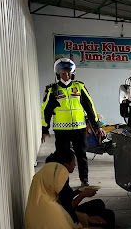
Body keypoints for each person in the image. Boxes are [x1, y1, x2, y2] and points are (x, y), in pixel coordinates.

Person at [25, 162, 124, 229]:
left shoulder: (39, 198)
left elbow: (64, 216)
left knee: (104, 226)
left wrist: (86, 218)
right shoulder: (50, 208)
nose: (64, 187)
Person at [42, 58, 100, 187]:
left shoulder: (79, 87)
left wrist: (96, 125)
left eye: (68, 72)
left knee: (81, 154)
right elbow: (45, 111)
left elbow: (89, 106)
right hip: (61, 131)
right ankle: (63, 182)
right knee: (62, 156)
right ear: (58, 73)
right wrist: (44, 129)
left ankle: (84, 180)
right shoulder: (52, 90)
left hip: (79, 129)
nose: (66, 75)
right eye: (63, 72)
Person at [45, 149, 115, 229]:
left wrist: (77, 192)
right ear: (66, 165)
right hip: (66, 217)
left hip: (69, 213)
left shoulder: (59, 176)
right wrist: (83, 195)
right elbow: (67, 209)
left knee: (99, 203)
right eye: (73, 162)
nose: (75, 164)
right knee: (108, 215)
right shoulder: (59, 182)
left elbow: (65, 199)